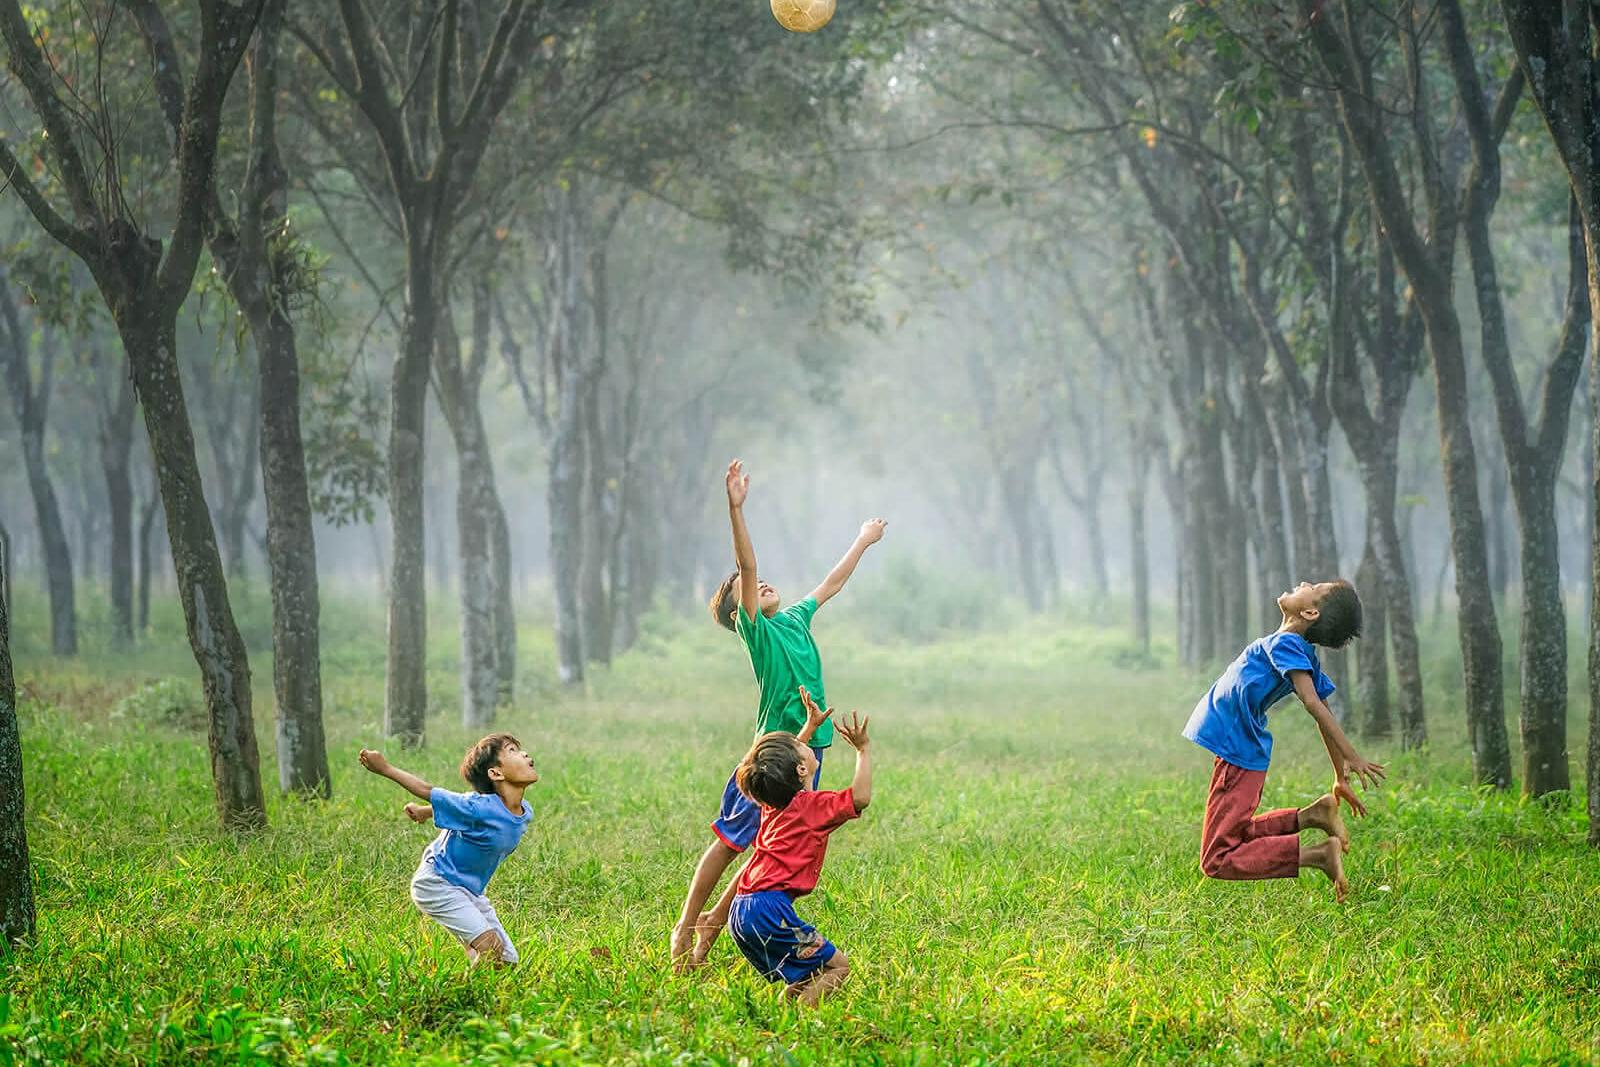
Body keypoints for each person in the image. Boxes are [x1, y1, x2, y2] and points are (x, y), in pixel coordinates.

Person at [669, 458, 885, 971]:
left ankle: (711, 934)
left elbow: (830, 583)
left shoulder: (793, 618)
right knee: (729, 841)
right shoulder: (758, 633)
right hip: (772, 753)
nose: (761, 583)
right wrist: (735, 508)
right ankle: (686, 927)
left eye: (763, 582)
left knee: (771, 847)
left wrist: (862, 540)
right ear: (736, 613)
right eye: (746, 589)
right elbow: (745, 567)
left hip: (811, 749)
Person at [1182, 580, 1385, 902]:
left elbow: (1314, 703)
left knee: (1217, 858)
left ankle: (1318, 856)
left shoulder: (1288, 644)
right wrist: (1339, 775)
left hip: (1238, 752)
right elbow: (1323, 708)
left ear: (1309, 611)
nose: (1304, 582)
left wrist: (1351, 756)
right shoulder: (1293, 647)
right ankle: (1312, 816)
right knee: (1235, 834)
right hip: (1238, 750)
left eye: (1314, 587)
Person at [725, 702, 872, 1006]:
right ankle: (802, 1022)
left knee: (808, 972)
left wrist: (809, 728)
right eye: (800, 747)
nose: (802, 745)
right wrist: (862, 750)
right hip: (770, 913)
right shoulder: (812, 808)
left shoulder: (772, 803)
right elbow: (860, 797)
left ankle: (784, 1014)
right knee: (838, 966)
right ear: (802, 768)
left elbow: (782, 769)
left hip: (741, 911)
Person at [358, 734, 538, 964]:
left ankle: (474, 970)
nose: (524, 753)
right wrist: (385, 768)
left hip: (470, 891)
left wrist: (425, 812)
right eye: (512, 750)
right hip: (438, 883)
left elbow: (465, 810)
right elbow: (428, 790)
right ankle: (455, 996)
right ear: (496, 773)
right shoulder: (478, 807)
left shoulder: (524, 811)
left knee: (506, 961)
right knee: (491, 949)